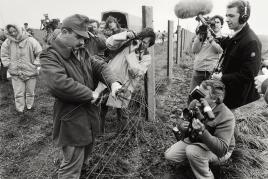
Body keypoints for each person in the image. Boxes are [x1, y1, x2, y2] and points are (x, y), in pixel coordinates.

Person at [39, 14, 122, 179]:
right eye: (78, 37)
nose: (83, 42)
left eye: (85, 38)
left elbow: (99, 65)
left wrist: (113, 83)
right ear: (64, 31)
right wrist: (91, 94)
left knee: (84, 156)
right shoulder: (50, 56)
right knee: (70, 168)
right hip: (72, 120)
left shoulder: (81, 51)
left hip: (89, 116)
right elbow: (59, 84)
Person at [165, 79, 235, 179]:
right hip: (196, 140)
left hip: (217, 150)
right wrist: (181, 125)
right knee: (170, 156)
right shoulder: (195, 103)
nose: (197, 98)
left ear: (215, 99)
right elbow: (182, 118)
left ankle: (206, 175)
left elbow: (221, 150)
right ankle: (196, 161)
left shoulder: (226, 116)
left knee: (192, 151)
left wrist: (202, 132)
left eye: (202, 96)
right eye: (198, 93)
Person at [97, 27, 156, 133]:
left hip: (126, 85)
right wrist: (125, 35)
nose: (143, 44)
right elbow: (109, 43)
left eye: (146, 43)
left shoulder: (146, 57)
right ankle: (98, 132)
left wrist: (132, 54)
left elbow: (137, 73)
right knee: (101, 106)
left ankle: (123, 135)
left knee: (122, 111)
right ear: (139, 38)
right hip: (110, 77)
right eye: (142, 40)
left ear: (149, 45)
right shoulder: (127, 42)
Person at [212, 0, 262, 109]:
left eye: (231, 16)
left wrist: (222, 78)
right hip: (228, 94)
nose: (226, 20)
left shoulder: (251, 41)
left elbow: (248, 75)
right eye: (226, 16)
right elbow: (225, 45)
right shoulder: (235, 36)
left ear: (243, 17)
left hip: (239, 102)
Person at [1, 24, 42, 113]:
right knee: (18, 93)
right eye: (10, 32)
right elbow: (4, 54)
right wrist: (9, 65)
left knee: (30, 92)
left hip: (30, 71)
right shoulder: (7, 42)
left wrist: (36, 63)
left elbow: (40, 53)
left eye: (14, 31)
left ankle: (29, 106)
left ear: (19, 30)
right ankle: (20, 109)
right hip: (15, 72)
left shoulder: (31, 40)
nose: (13, 33)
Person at [189, 15, 224, 95]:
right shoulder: (203, 36)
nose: (215, 24)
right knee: (193, 94)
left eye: (218, 22)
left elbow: (219, 50)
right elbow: (194, 50)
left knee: (208, 96)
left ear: (221, 25)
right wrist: (200, 35)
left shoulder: (223, 38)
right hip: (198, 69)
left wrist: (210, 39)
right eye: (213, 22)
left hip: (211, 72)